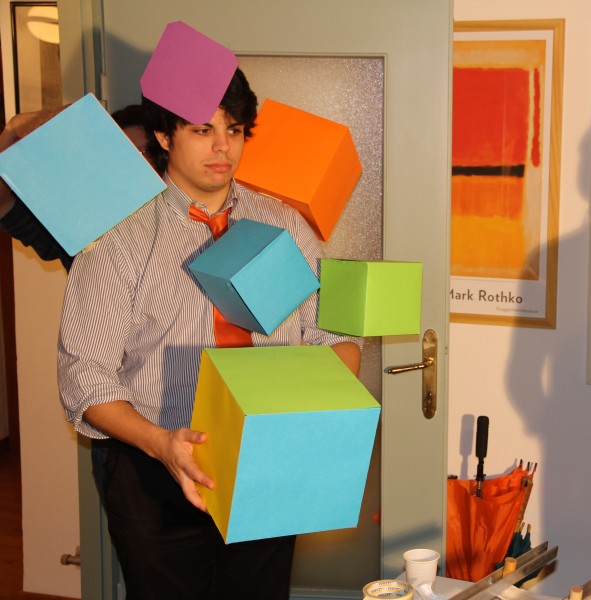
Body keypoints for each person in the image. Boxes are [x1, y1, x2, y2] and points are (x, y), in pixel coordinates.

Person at [57, 68, 362, 599]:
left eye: (234, 129)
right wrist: (161, 444)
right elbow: (84, 377)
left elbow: (332, 337)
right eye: (202, 130)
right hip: (154, 468)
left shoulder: (285, 226)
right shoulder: (118, 237)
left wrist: (316, 408)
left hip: (266, 463)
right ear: (163, 135)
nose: (223, 147)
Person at [0, 103, 152, 270]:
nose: (136, 164)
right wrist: (11, 130)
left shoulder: (171, 215)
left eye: (143, 152)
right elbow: (3, 204)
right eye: (123, 155)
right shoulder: (76, 222)